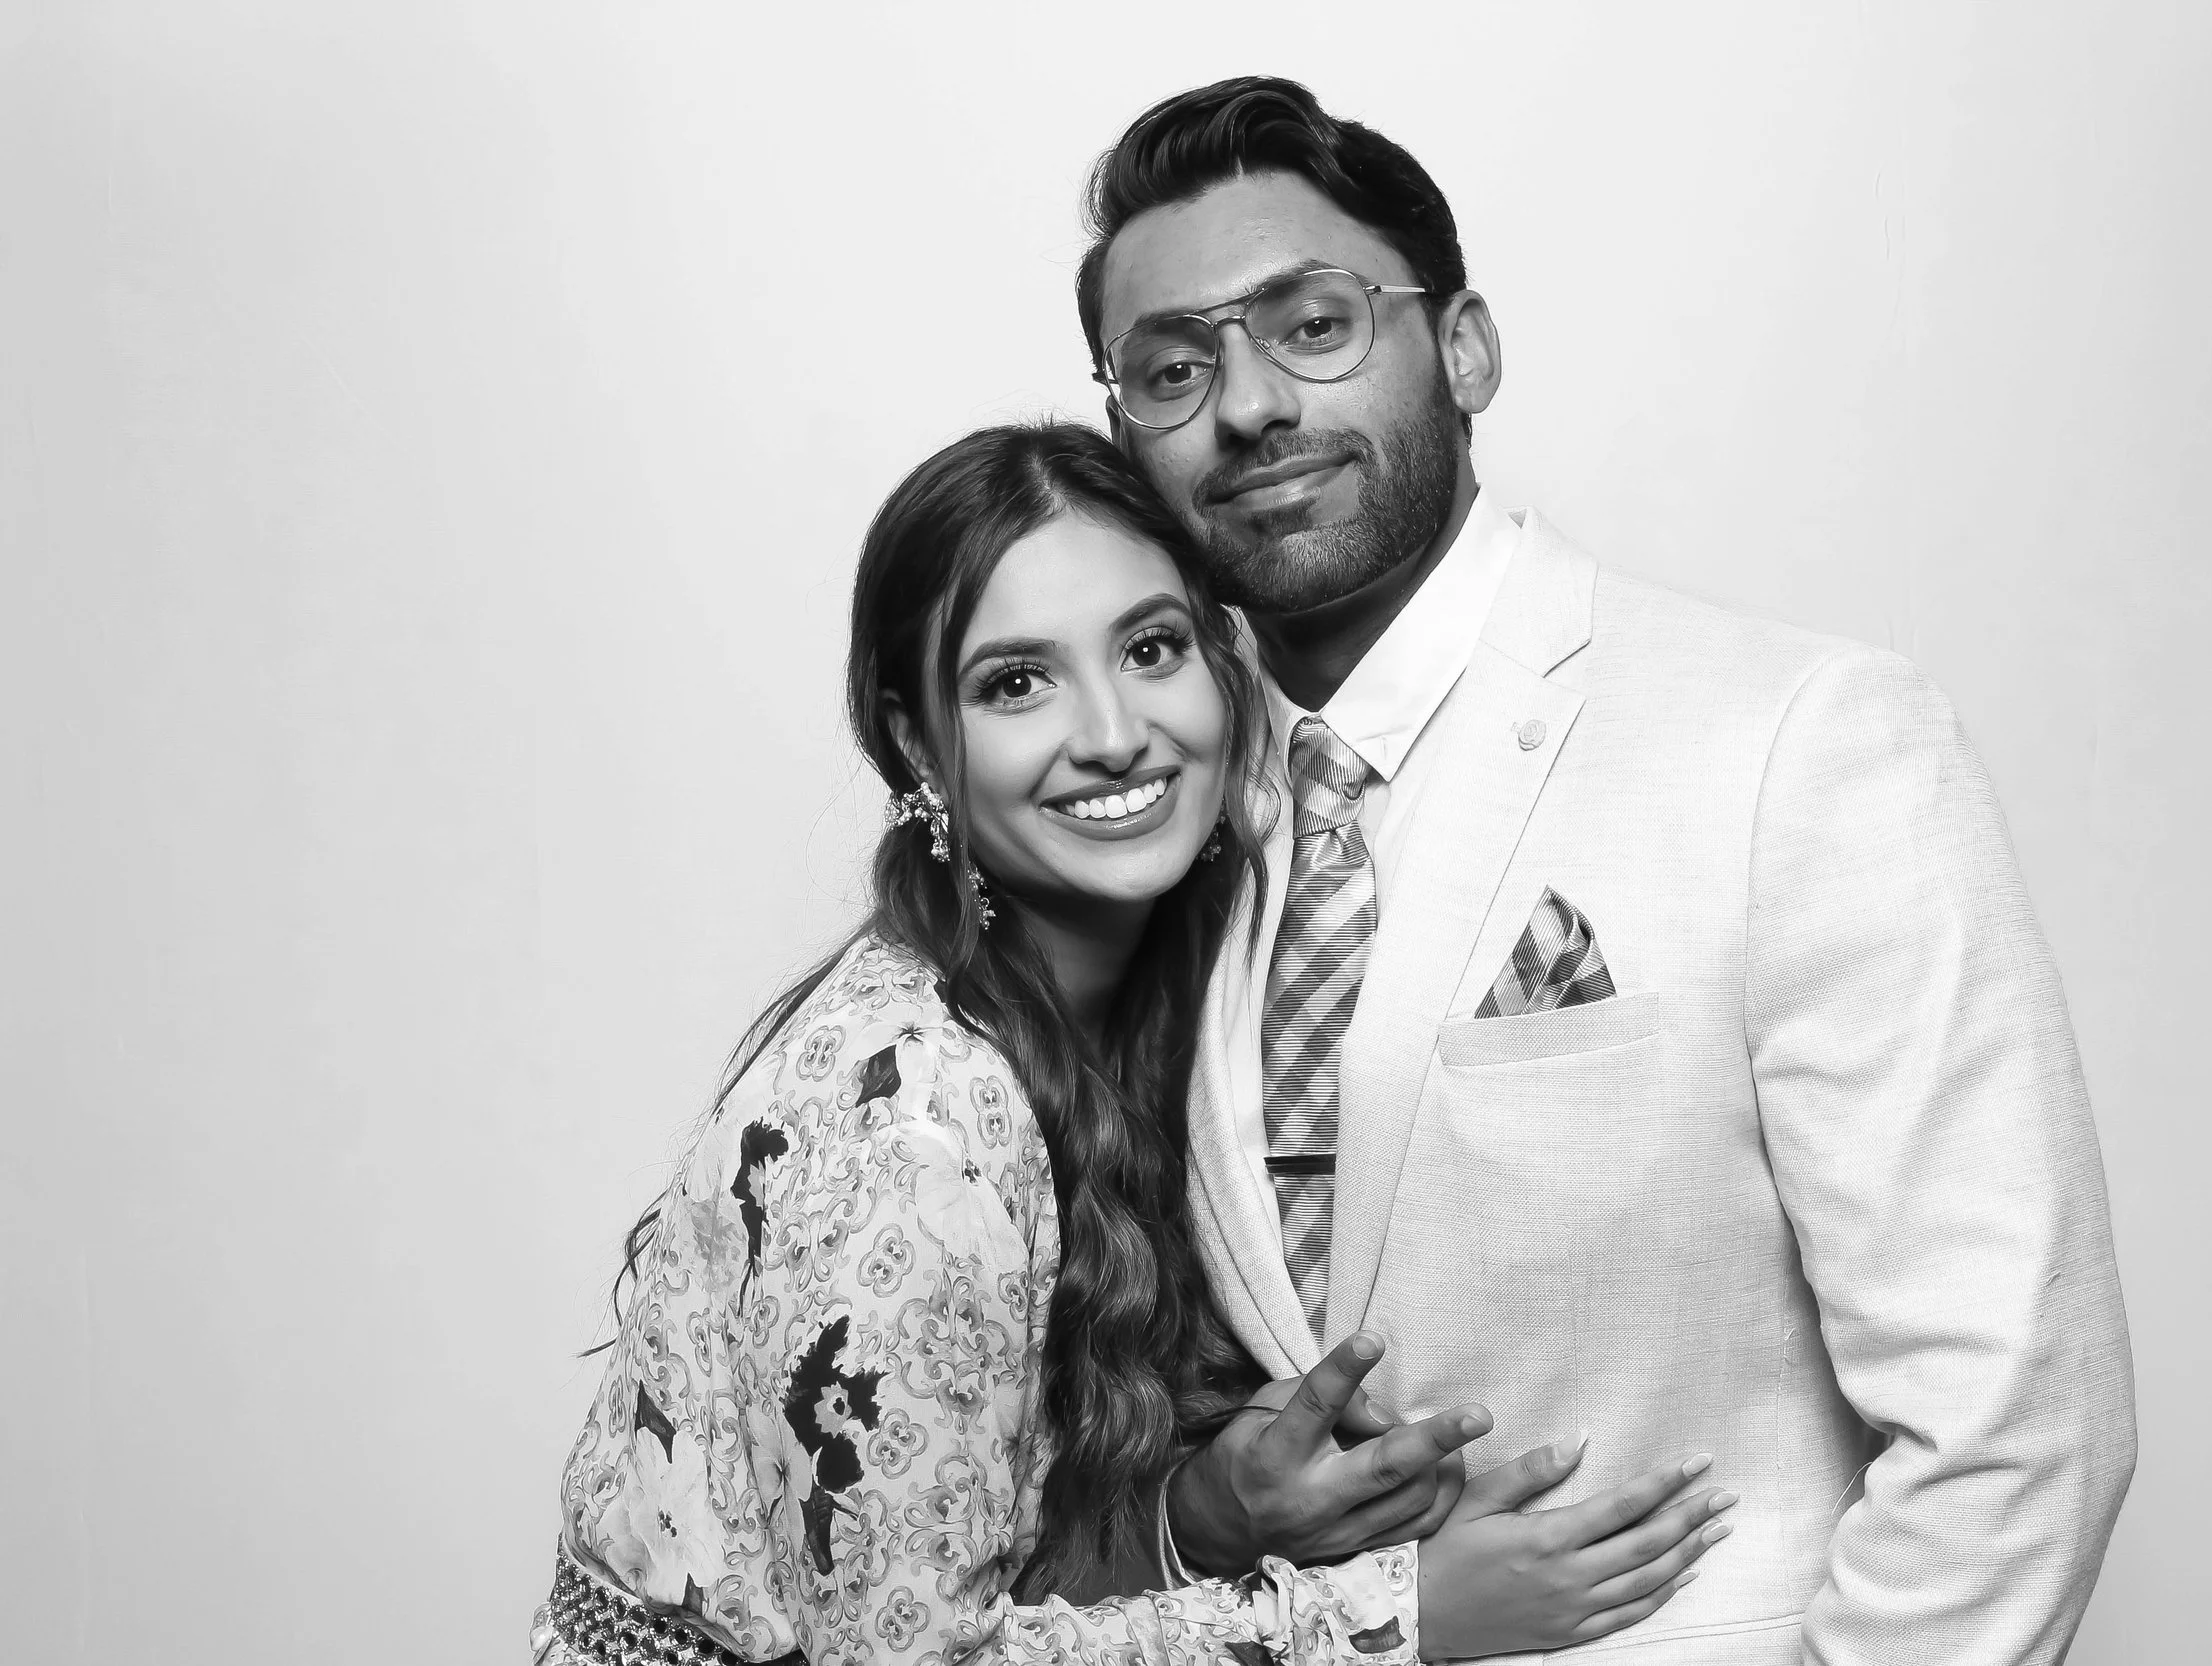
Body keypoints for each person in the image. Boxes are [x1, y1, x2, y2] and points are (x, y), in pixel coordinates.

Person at [1075, 79, 2139, 1663]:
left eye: (1313, 325)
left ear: (1466, 347)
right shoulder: (1149, 825)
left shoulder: (1802, 740)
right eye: (1174, 367)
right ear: (1123, 432)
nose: (1247, 405)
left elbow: (2016, 1428)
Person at [534, 424, 1740, 1666]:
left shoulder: (1177, 997)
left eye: (1149, 649)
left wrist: (1199, 1518)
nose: (1111, 732)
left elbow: (984, 1548)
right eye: (1016, 682)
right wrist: (1394, 1622)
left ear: (1223, 665)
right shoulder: (914, 1121)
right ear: (913, 741)